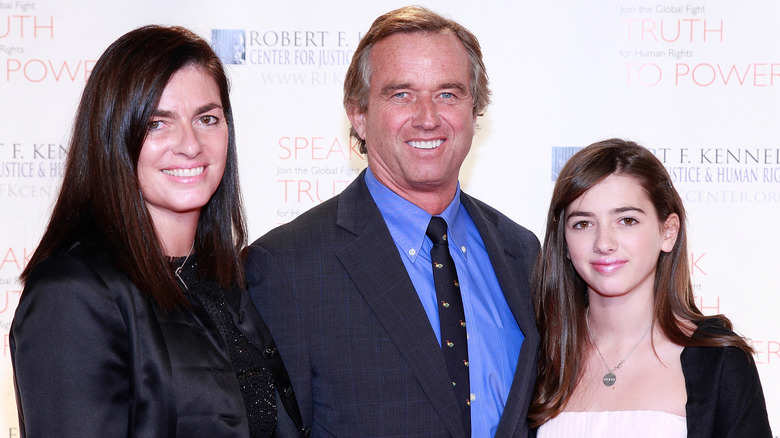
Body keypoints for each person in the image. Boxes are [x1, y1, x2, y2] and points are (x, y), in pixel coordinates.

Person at [246, 6, 540, 437]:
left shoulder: (522, 253)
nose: (427, 117)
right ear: (359, 115)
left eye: (448, 94)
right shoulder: (286, 267)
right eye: (401, 94)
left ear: (475, 111)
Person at [11, 25, 306, 438]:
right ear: (114, 137)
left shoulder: (226, 280)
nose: (190, 144)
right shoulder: (73, 291)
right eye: (157, 124)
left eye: (207, 118)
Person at [529, 139, 772, 437]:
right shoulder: (535, 355)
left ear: (667, 232)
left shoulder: (719, 361)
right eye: (583, 224)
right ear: (564, 241)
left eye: (627, 220)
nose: (604, 243)